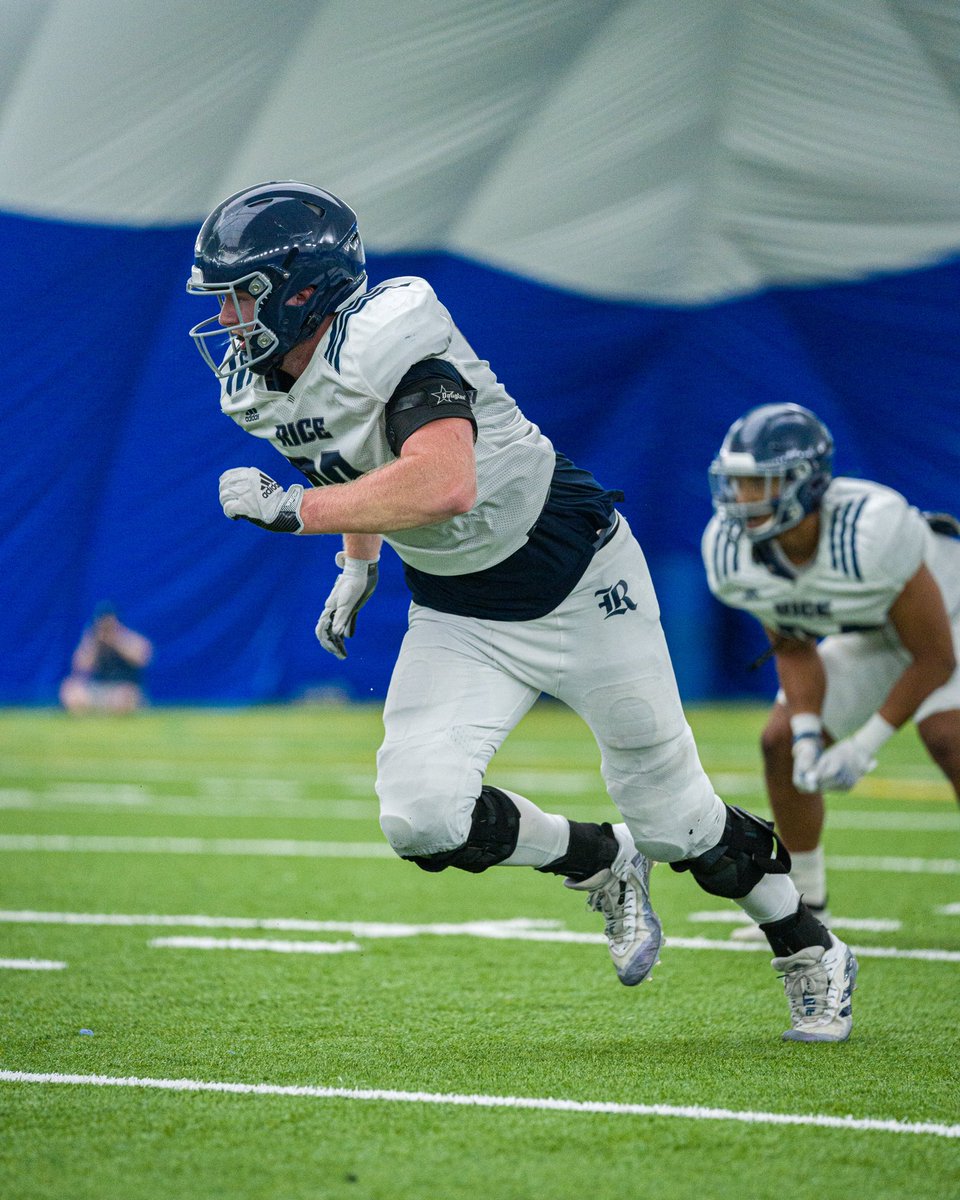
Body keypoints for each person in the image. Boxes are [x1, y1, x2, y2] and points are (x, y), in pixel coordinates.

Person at [187, 181, 856, 1042]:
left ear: (301, 285)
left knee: (676, 818)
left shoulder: (394, 338)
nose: (231, 317)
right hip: (462, 609)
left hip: (579, 577)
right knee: (421, 815)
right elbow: (349, 465)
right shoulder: (260, 385)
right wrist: (355, 563)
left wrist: (294, 514)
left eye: (243, 293)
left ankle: (809, 946)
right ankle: (598, 861)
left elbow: (443, 479)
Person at [703, 402, 960, 937]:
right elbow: (794, 647)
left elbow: (934, 657)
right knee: (778, 741)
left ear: (804, 480)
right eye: (737, 483)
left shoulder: (872, 529)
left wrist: (865, 744)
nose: (741, 499)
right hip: (870, 633)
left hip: (949, 619)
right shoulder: (732, 550)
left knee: (947, 736)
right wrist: (805, 736)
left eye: (758, 483)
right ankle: (806, 901)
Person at [60, 603, 153, 713]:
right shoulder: (93, 641)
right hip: (100, 689)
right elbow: (80, 667)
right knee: (70, 689)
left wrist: (116, 640)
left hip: (124, 689)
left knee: (125, 697)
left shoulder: (129, 638)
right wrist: (92, 642)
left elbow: (142, 658)